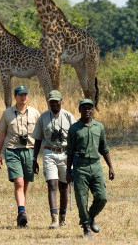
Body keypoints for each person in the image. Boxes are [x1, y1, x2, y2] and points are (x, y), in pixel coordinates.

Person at [66, 98, 115, 237]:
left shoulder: (99, 127)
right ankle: (86, 227)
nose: (87, 110)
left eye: (90, 108)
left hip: (95, 165)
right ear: (79, 110)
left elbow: (104, 148)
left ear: (92, 110)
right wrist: (68, 171)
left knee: (102, 197)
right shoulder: (74, 129)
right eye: (84, 108)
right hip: (80, 167)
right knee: (82, 200)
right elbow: (69, 151)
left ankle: (90, 217)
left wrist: (111, 167)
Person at [0, 85, 40, 227]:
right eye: (20, 94)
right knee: (19, 182)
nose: (23, 97)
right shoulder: (7, 113)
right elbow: (2, 135)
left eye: (25, 94)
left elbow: (40, 135)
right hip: (12, 150)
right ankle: (21, 211)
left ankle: (22, 215)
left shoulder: (35, 113)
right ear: (15, 96)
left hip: (29, 151)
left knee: (25, 183)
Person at [32, 90, 76, 229]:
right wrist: (34, 159)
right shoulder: (43, 117)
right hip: (50, 152)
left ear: (61, 101)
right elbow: (38, 139)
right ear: (49, 102)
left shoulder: (69, 116)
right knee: (52, 185)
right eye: (51, 101)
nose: (54, 104)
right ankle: (54, 219)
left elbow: (76, 137)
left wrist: (75, 157)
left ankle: (63, 217)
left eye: (56, 101)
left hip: (65, 154)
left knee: (64, 187)